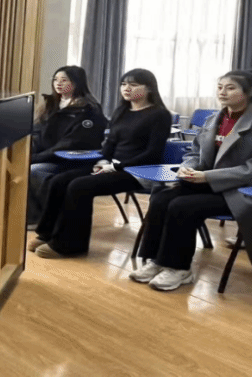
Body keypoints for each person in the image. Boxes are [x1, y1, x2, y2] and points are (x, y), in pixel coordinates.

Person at [130, 70, 252, 291]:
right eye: (220, 87)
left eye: (230, 88)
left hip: (246, 190)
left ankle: (179, 269)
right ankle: (157, 261)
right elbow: (194, 153)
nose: (222, 92)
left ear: (249, 92)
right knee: (162, 197)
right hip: (211, 184)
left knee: (183, 206)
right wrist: (188, 168)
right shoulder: (214, 119)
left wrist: (207, 176)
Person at [29, 69, 172, 259]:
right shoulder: (122, 111)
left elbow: (152, 154)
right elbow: (110, 144)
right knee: (59, 181)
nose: (126, 88)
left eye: (133, 85)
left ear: (149, 88)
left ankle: (70, 245)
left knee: (79, 186)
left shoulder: (160, 115)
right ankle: (46, 233)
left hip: (136, 171)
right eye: (123, 84)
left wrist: (115, 167)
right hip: (110, 166)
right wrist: (102, 161)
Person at [28, 66, 108, 226]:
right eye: (55, 80)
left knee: (34, 170)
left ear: (77, 83)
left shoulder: (89, 109)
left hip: (73, 160)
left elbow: (71, 144)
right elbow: (37, 131)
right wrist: (30, 151)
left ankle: (46, 218)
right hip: (50, 156)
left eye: (64, 80)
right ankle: (31, 215)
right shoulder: (51, 103)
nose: (58, 83)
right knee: (20, 167)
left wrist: (36, 158)